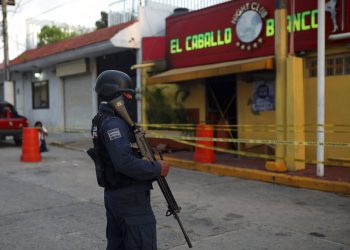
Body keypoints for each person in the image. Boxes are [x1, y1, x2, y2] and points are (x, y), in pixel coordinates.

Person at [92, 70, 170, 250]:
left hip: (116, 195)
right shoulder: (114, 123)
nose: (130, 98)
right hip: (129, 198)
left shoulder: (102, 119)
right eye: (127, 93)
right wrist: (156, 168)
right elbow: (124, 162)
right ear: (115, 94)